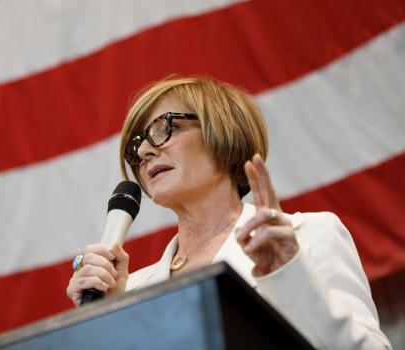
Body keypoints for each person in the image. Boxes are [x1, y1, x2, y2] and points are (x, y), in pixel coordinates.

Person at [66, 76, 391, 349]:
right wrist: (106, 320)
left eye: (163, 128)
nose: (144, 150)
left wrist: (288, 274)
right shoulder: (131, 291)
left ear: (222, 131)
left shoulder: (308, 237)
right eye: (138, 142)